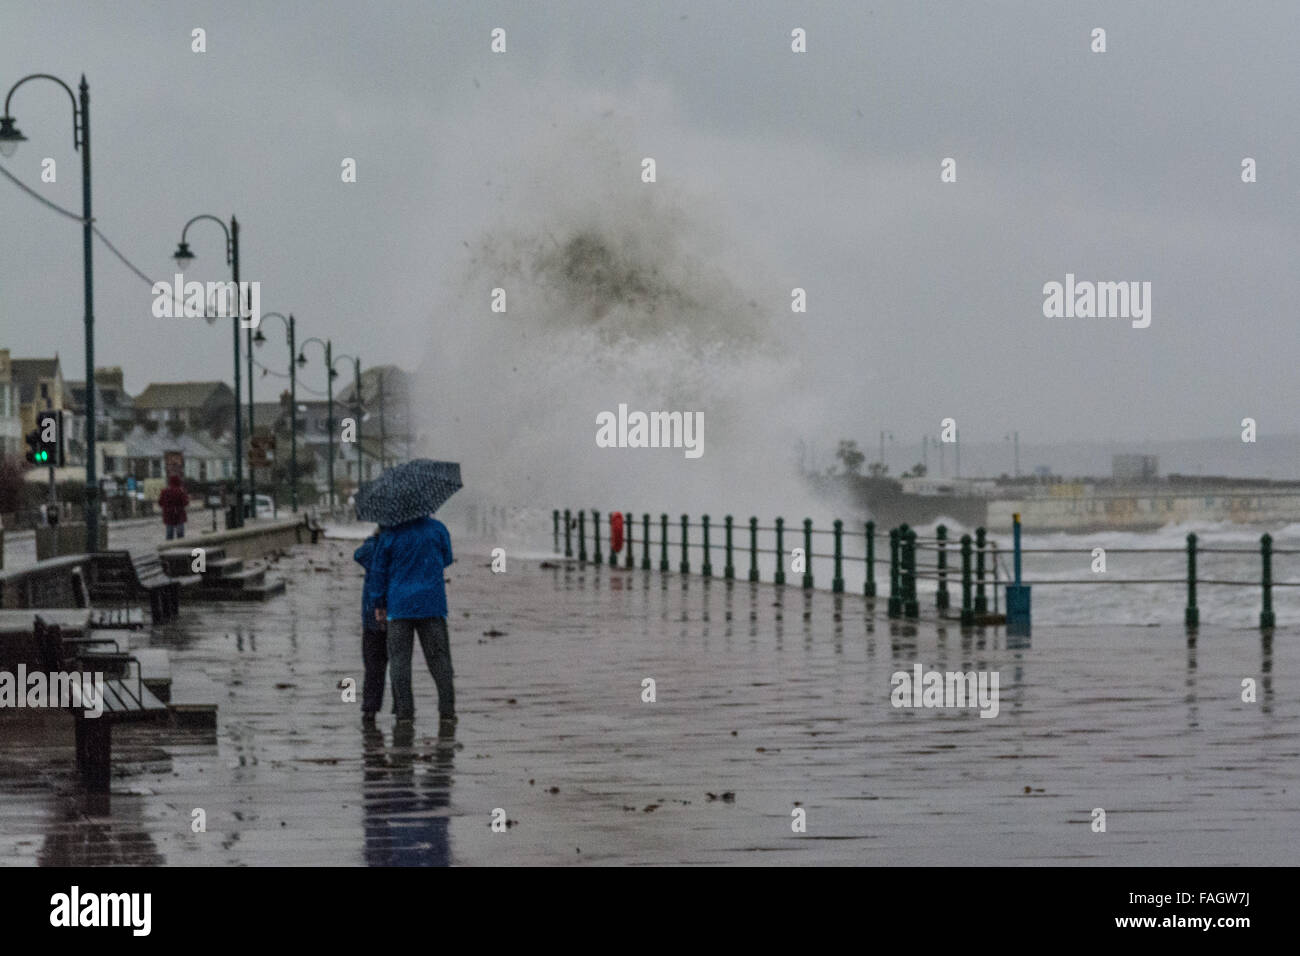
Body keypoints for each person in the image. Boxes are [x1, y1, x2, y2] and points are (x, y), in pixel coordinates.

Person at [370, 514, 456, 725]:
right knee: (440, 660)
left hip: (399, 607)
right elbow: (446, 558)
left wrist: (378, 603)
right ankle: (447, 711)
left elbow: (379, 570)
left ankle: (405, 713)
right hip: (432, 604)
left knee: (399, 661)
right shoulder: (437, 529)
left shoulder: (390, 534)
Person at [353, 529, 389, 725]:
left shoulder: (373, 547)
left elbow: (359, 554)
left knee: (373, 665)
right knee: (399, 664)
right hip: (399, 613)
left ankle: (370, 708)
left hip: (372, 615)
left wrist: (374, 536)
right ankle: (402, 709)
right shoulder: (399, 546)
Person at [158, 474, 189, 540]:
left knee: (169, 533)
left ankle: (169, 546)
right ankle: (180, 546)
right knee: (180, 534)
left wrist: (167, 507)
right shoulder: (181, 491)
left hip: (168, 514)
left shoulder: (165, 491)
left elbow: (160, 503)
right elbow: (185, 502)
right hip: (179, 514)